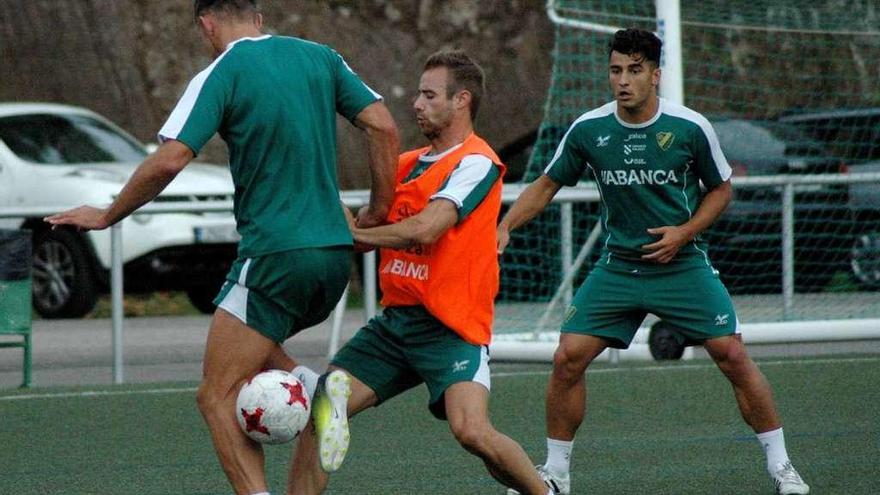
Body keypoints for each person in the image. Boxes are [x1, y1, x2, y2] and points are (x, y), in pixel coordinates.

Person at [45, 1, 399, 494]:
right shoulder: (322, 56)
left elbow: (169, 160)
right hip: (335, 259)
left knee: (216, 394)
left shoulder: (222, 70)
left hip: (276, 254)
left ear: (206, 24)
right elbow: (382, 125)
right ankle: (314, 387)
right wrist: (378, 214)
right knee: (247, 341)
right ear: (257, 17)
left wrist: (108, 215)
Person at [498, 28, 810, 495]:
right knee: (568, 359)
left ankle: (783, 467)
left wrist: (684, 232)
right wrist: (505, 227)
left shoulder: (689, 127)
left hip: (682, 264)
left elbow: (721, 189)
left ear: (656, 75)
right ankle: (556, 474)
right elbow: (546, 185)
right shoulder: (588, 129)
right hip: (618, 268)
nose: (623, 80)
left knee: (733, 354)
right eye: (616, 70)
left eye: (635, 70)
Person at [277, 50, 556, 495]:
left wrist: (361, 237)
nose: (416, 104)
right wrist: (309, 176)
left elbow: (426, 227)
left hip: (452, 328)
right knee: (326, 407)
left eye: (429, 95)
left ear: (461, 100)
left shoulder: (476, 162)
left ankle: (545, 491)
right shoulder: (406, 164)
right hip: (397, 324)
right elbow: (364, 222)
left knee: (472, 433)